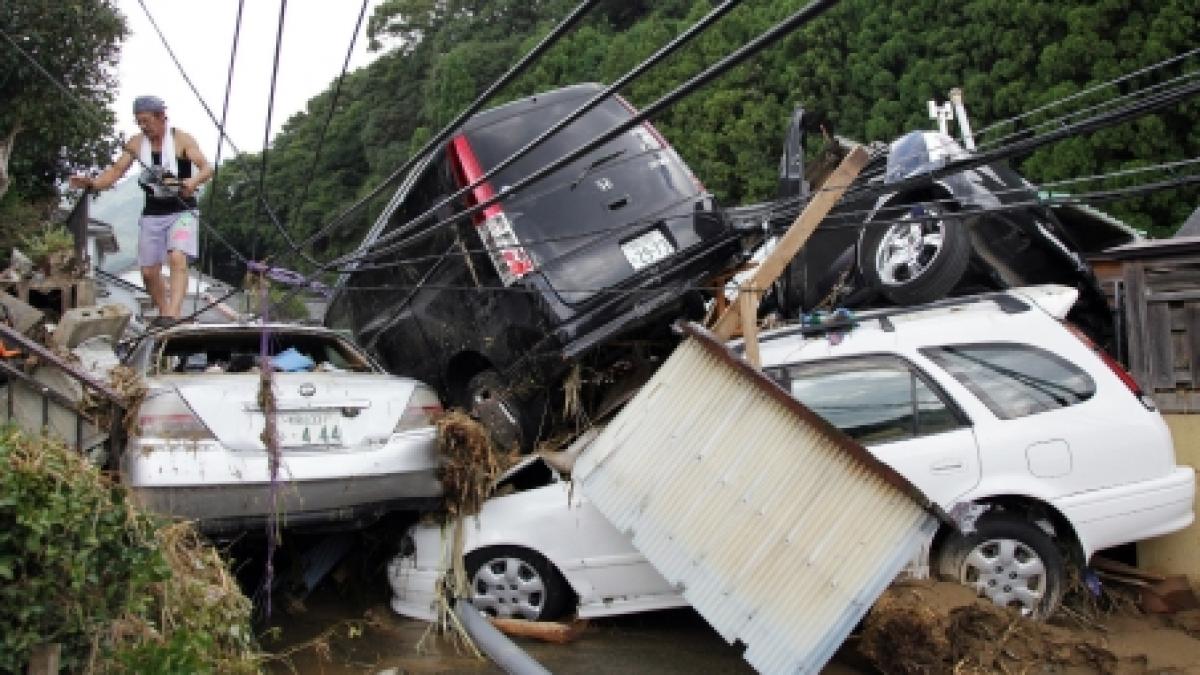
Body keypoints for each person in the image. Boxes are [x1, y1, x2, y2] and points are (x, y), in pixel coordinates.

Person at [70, 95, 213, 321]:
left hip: (182, 210)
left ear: (161, 117)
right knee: (148, 271)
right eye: (139, 122)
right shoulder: (137, 143)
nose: (143, 127)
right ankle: (164, 312)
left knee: (177, 256)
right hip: (153, 212)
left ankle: (174, 313)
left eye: (147, 121)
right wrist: (93, 183)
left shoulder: (181, 140)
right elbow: (117, 171)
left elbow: (206, 168)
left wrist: (192, 182)